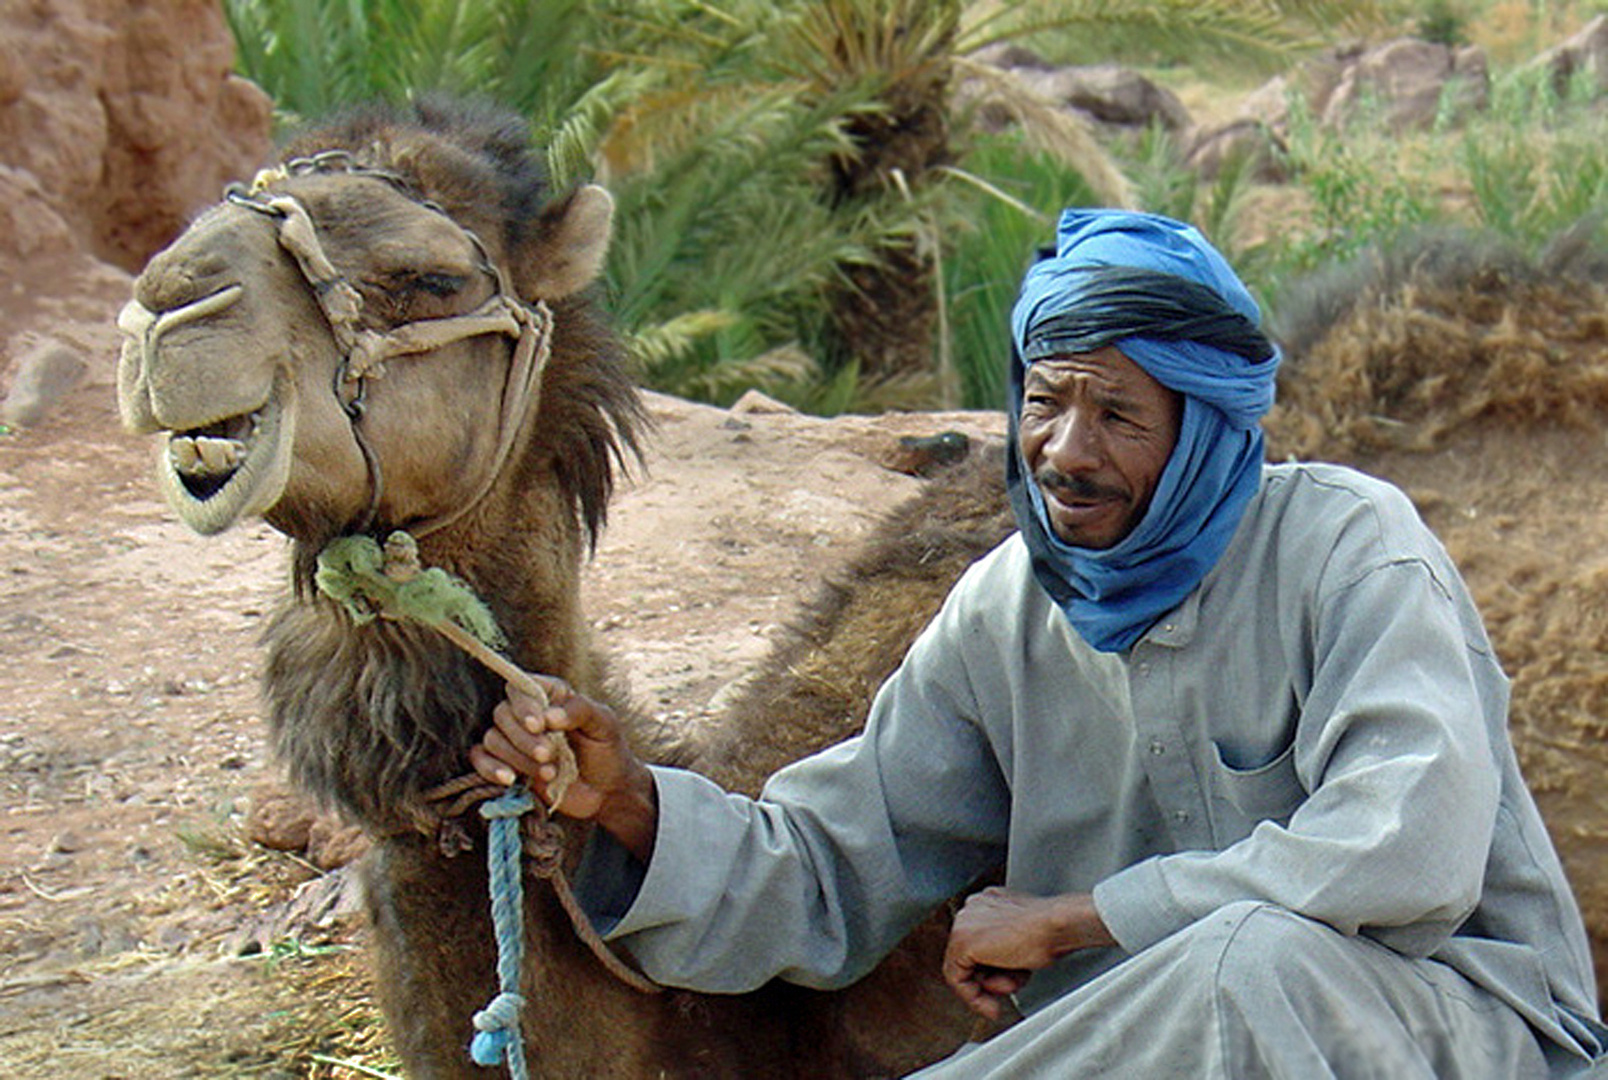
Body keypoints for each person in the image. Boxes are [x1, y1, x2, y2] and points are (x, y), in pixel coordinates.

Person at [472, 210, 1607, 1077]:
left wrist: (1081, 918)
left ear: (1207, 428)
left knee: (1250, 966)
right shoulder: (1010, 605)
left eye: (1118, 415)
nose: (1064, 451)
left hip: (1454, 1025)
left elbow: (1404, 850)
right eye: (1046, 400)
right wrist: (622, 802)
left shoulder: (1353, 548)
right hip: (1150, 1050)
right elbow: (829, 869)